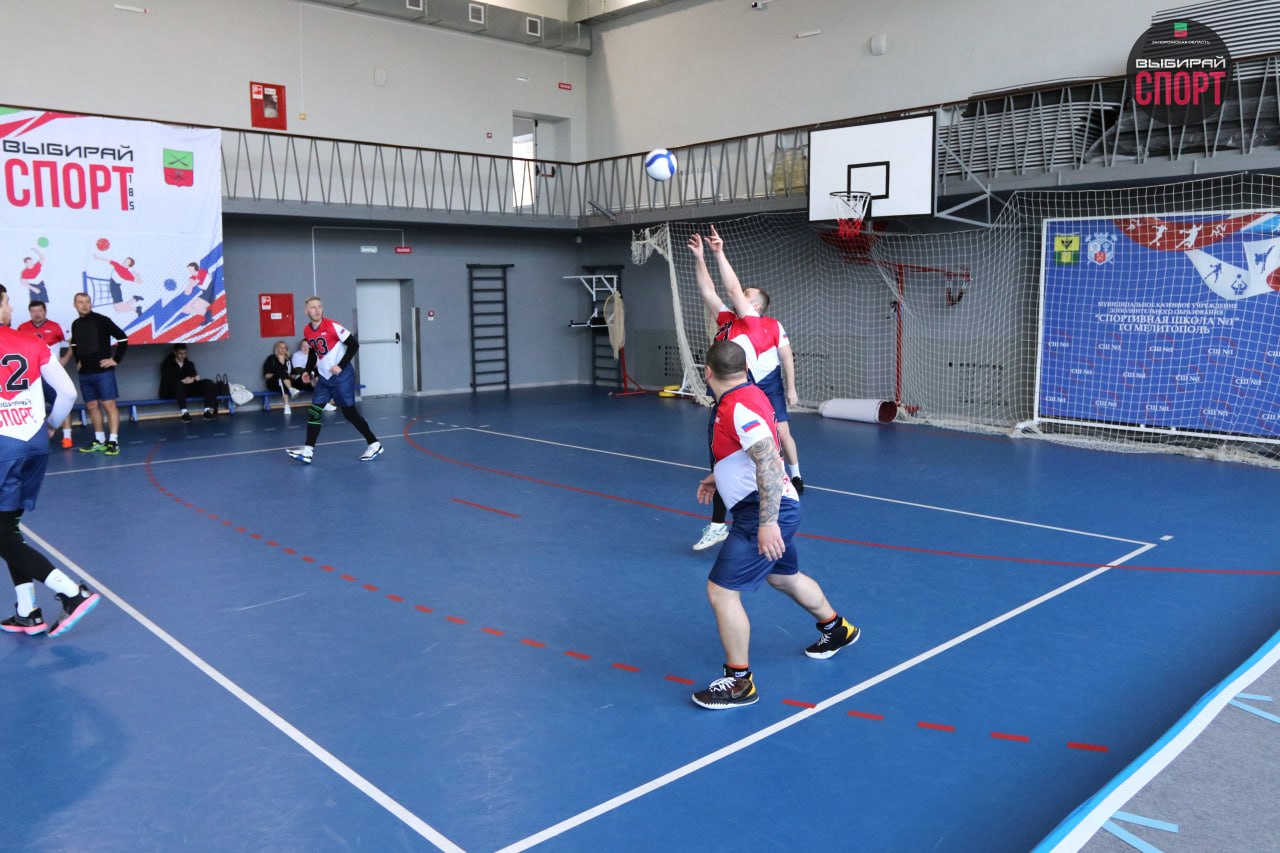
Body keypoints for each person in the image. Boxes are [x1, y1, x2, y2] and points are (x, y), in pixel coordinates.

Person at [691, 340, 857, 710]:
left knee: (721, 592)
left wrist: (767, 523)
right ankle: (836, 629)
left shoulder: (737, 406)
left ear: (707, 372)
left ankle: (739, 682)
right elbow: (754, 450)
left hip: (764, 511)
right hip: (774, 506)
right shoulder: (751, 394)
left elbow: (767, 461)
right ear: (745, 369)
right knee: (783, 577)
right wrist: (720, 476)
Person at [688, 225, 804, 553]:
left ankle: (762, 515)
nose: (740, 293)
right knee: (722, 461)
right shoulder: (727, 320)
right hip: (724, 399)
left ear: (756, 307)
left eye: (747, 294)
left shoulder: (754, 323)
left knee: (749, 459)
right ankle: (724, 523)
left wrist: (719, 252)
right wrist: (700, 258)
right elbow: (709, 291)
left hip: (742, 399)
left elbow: (731, 287)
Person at [0, 284, 101, 637]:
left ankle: (71, 592)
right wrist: (52, 425)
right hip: (33, 443)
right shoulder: (31, 342)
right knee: (7, 529)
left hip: (3, 447)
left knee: (2, 535)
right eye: (6, 301)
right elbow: (67, 392)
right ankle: (27, 612)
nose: (10, 308)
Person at [286, 296, 383, 464]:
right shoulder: (307, 331)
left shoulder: (333, 326)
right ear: (306, 311)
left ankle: (374, 444)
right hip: (324, 379)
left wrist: (340, 365)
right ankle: (308, 450)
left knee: (350, 414)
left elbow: (354, 345)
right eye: (313, 307)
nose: (317, 310)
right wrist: (309, 371)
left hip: (342, 377)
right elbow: (314, 352)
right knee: (315, 411)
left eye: (319, 306)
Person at [69, 292, 127, 455]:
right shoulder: (75, 324)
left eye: (87, 302)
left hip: (103, 373)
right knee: (92, 406)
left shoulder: (102, 320)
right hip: (85, 374)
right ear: (75, 305)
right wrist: (78, 360)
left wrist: (115, 360)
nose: (84, 305)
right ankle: (100, 440)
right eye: (80, 302)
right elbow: (74, 344)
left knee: (109, 405)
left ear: (91, 303)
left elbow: (122, 338)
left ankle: (113, 441)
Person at [17, 301, 74, 448]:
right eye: (33, 311)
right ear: (29, 312)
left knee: (61, 401)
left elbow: (73, 343)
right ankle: (36, 437)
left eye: (39, 311)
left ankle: (67, 437)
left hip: (52, 374)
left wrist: (65, 359)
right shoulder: (22, 328)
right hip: (32, 375)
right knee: (33, 405)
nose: (36, 314)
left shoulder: (56, 327)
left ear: (45, 311)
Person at [158, 343, 218, 422]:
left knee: (208, 382)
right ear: (174, 353)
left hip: (187, 390)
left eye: (185, 353)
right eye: (180, 353)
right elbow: (167, 381)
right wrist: (183, 381)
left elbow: (193, 375)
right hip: (172, 391)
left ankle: (207, 411)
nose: (183, 356)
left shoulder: (189, 364)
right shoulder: (167, 365)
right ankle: (184, 413)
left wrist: (194, 378)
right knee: (179, 385)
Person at [92, 253, 145, 317]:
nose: (124, 261)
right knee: (120, 308)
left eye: (127, 261)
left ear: (129, 265)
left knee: (118, 309)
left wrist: (138, 275)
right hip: (114, 288)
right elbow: (108, 260)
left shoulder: (128, 274)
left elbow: (140, 282)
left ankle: (136, 308)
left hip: (116, 289)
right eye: (125, 260)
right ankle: (135, 300)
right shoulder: (117, 265)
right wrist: (98, 258)